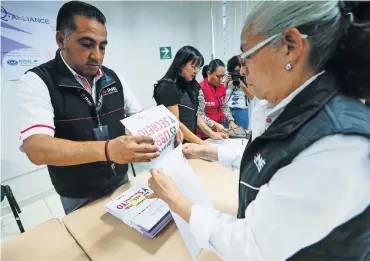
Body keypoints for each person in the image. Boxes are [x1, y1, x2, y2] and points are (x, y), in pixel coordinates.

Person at [147, 1, 370, 261]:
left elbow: (252, 246)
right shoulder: (293, 107)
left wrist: (176, 199)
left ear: (290, 46)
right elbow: (270, 158)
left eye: (247, 55)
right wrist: (209, 151)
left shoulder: (336, 144)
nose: (241, 69)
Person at [16, 1, 182, 215]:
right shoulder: (38, 81)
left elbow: (142, 118)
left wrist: (166, 125)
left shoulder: (113, 78)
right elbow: (36, 148)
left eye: (102, 46)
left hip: (121, 179)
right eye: (87, 44)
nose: (97, 55)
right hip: (78, 192)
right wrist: (107, 150)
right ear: (61, 40)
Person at [153, 46, 227, 144]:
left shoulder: (193, 85)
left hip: (189, 141)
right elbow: (175, 123)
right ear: (181, 64)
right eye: (193, 67)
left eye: (198, 68)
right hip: (174, 143)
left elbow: (196, 114)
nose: (196, 71)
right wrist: (201, 142)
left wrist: (211, 133)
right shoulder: (168, 87)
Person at [197, 59, 237, 139]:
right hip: (205, 132)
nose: (221, 79)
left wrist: (231, 120)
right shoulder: (200, 89)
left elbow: (224, 106)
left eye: (223, 76)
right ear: (209, 73)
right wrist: (214, 124)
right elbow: (200, 115)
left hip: (219, 129)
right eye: (218, 76)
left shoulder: (222, 87)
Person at [223, 56, 254, 129]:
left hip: (241, 110)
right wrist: (225, 83)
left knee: (242, 134)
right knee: (226, 134)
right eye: (234, 72)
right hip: (227, 110)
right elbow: (220, 96)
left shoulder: (247, 79)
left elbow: (251, 97)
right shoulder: (226, 79)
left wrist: (243, 85)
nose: (236, 74)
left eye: (238, 72)